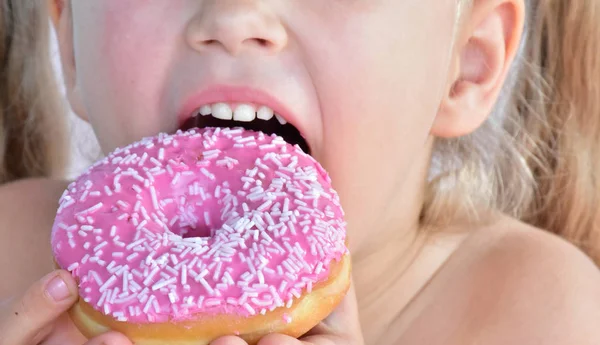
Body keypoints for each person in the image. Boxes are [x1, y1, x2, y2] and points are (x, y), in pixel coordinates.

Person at [2, 0, 600, 344]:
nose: (233, 15)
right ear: (70, 41)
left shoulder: (538, 316)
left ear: (466, 63)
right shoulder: (12, 263)